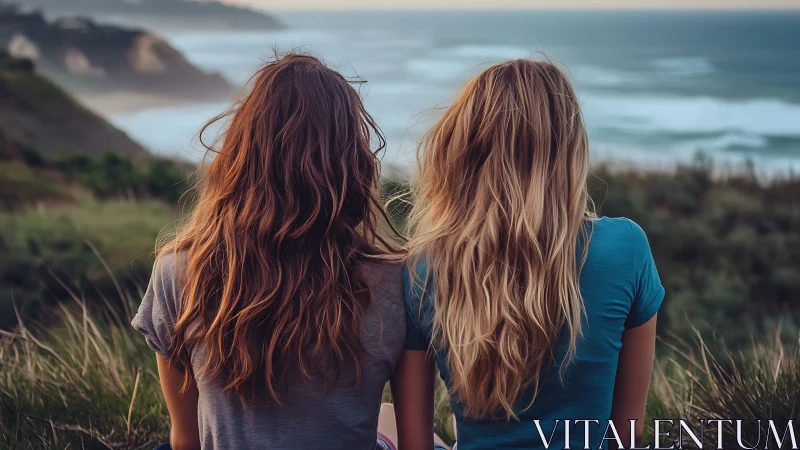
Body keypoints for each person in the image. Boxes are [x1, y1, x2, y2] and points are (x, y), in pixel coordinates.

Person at [132, 53, 408, 450]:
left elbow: (186, 439)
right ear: (352, 161)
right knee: (392, 419)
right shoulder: (393, 281)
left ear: (242, 153)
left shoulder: (177, 270)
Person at [390, 59, 665, 450]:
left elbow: (414, 445)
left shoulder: (424, 266)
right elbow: (627, 434)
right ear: (569, 149)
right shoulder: (627, 248)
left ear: (464, 149)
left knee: (386, 418)